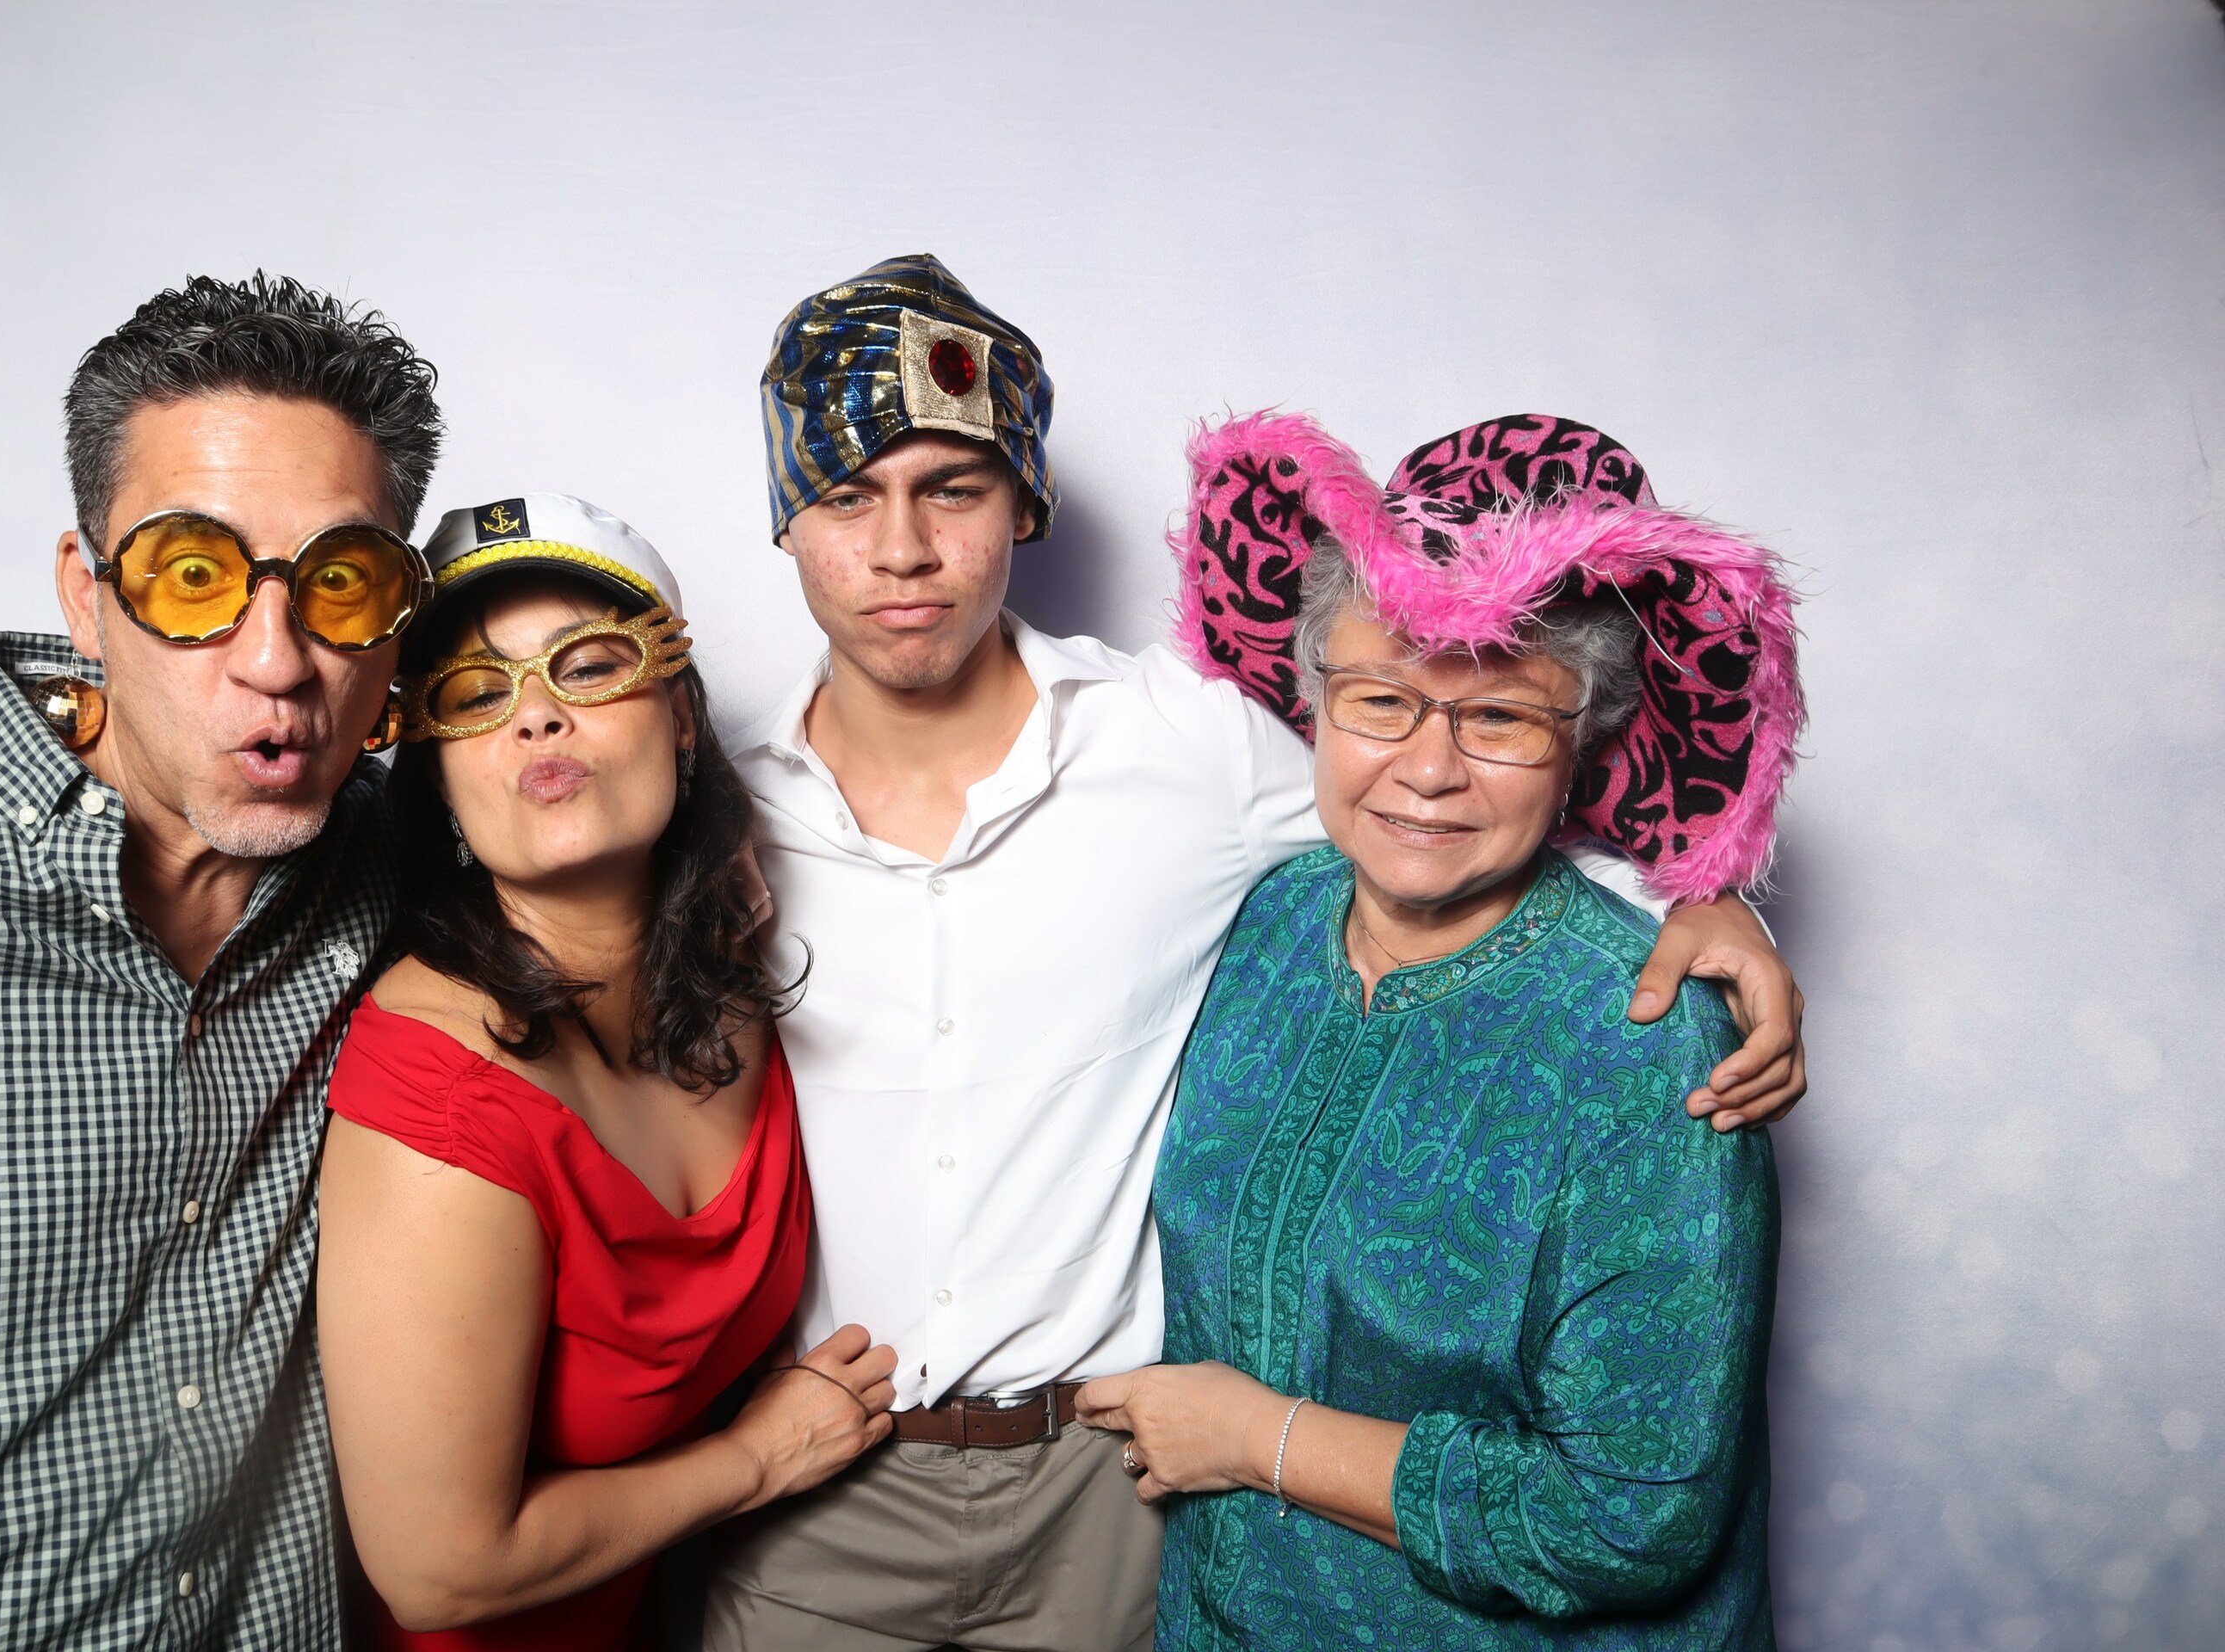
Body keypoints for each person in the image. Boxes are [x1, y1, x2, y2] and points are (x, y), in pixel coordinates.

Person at [700, 257, 1809, 1652]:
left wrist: (1710, 902)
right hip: (830, 1485)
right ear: (786, 520)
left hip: (1102, 1483)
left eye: (953, 490)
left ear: (1024, 500)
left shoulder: (1188, 745)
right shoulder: (711, 818)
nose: (901, 548)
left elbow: (1444, 811)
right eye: (847, 496)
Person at [0, 274, 443, 1646]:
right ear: (87, 593)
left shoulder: (401, 868)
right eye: (194, 576)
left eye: (340, 584)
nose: (276, 662)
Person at [1076, 411, 1798, 1649]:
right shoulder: (1265, 919)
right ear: (1314, 703)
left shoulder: (1649, 1042)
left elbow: (1633, 1520)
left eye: (1500, 719)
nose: (1427, 769)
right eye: (1381, 701)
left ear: (1585, 743)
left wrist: (1254, 1439)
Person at [312, 495, 897, 1650]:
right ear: (436, 777)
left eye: (588, 667)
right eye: (475, 695)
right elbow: (438, 1571)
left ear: (681, 717)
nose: (537, 716)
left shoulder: (735, 979)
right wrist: (755, 1460)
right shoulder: (440, 1094)